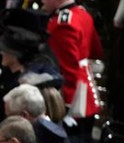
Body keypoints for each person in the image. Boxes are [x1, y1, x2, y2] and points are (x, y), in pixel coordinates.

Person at [42, 0, 103, 130]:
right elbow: (96, 51)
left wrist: (66, 106)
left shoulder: (63, 23)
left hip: (74, 100)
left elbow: (68, 69)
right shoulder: (83, 14)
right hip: (87, 94)